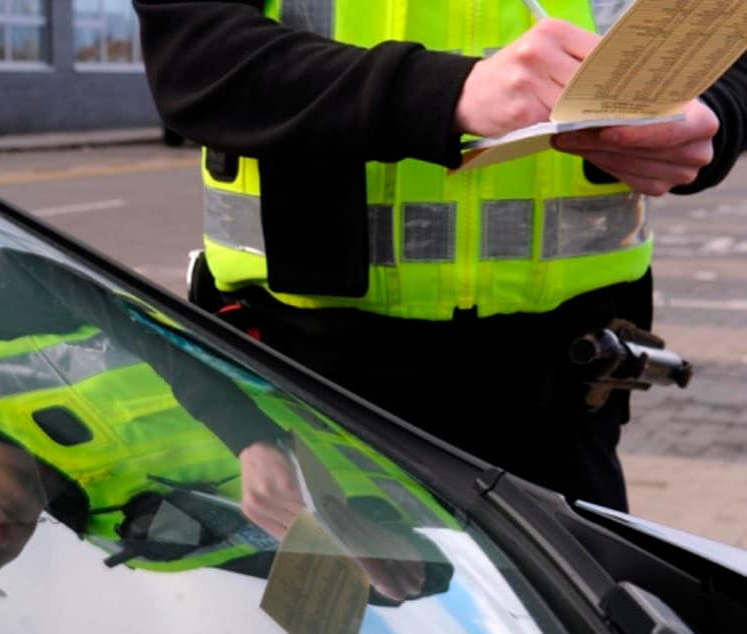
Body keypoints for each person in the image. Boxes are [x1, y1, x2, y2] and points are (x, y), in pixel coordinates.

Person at [133, 0, 747, 511]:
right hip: (306, 387)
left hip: (567, 390)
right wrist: (447, 91)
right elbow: (196, 58)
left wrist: (713, 116)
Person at [0, 248, 454, 633]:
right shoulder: (146, 544)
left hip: (371, 297)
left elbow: (83, 292)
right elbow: (415, 577)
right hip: (454, 438)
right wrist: (390, 567)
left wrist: (247, 437)